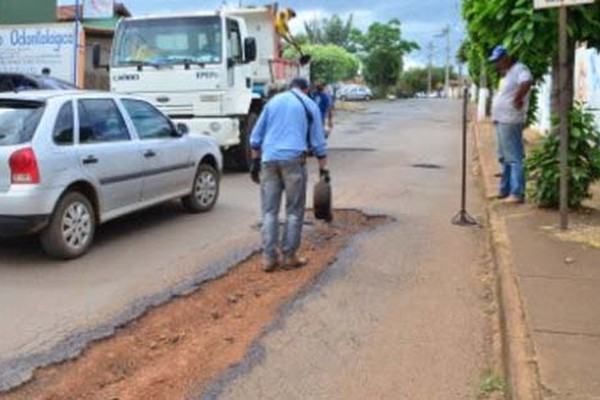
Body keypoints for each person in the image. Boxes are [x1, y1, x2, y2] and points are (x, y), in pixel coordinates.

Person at [249, 77, 329, 272]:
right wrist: (323, 170)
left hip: (269, 160)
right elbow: (318, 142)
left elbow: (255, 137)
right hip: (294, 161)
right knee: (294, 211)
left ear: (290, 87)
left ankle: (268, 259)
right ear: (306, 89)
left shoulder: (273, 102)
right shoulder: (309, 105)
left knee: (269, 211)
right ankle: (289, 256)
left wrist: (254, 162)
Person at [489, 45, 533, 204]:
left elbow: (527, 81)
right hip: (501, 119)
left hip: (510, 119)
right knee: (504, 157)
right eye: (495, 61)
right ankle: (504, 190)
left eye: (499, 60)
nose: (497, 63)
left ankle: (517, 193)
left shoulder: (519, 68)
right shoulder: (507, 74)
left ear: (507, 57)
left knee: (514, 157)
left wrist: (518, 98)